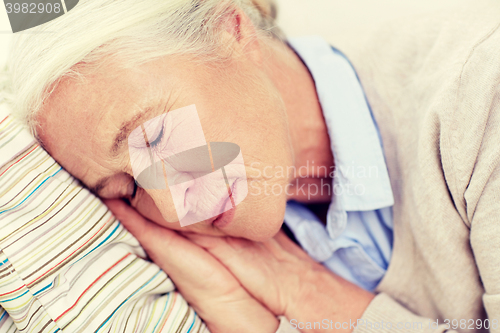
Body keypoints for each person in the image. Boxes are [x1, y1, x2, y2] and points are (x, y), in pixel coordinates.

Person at [6, 0, 500, 332]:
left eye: (154, 137)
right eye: (126, 189)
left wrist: (305, 293)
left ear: (231, 27)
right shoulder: (222, 259)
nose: (173, 207)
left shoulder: (478, 91)